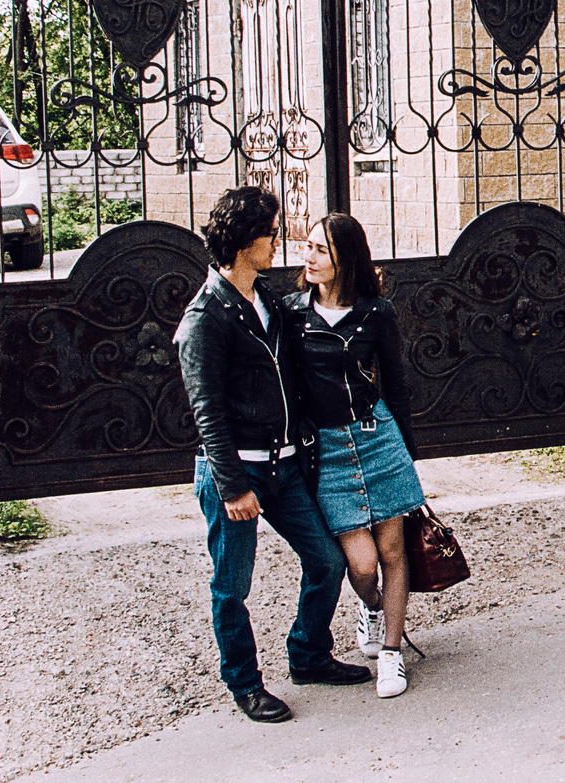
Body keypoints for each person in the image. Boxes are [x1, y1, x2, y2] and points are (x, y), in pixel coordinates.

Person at [175, 186, 370, 722]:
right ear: (243, 242)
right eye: (271, 233)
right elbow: (207, 412)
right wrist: (233, 486)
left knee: (327, 560)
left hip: (284, 465)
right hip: (235, 474)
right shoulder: (203, 319)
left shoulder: (270, 303)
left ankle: (308, 654)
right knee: (232, 584)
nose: (279, 242)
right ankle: (244, 684)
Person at [276, 212, 427, 701]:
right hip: (330, 450)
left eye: (321, 249)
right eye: (307, 247)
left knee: (393, 551)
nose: (309, 256)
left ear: (346, 258)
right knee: (360, 566)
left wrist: (406, 450)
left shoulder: (375, 313)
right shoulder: (291, 313)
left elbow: (396, 385)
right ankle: (374, 607)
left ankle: (390, 653)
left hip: (378, 439)